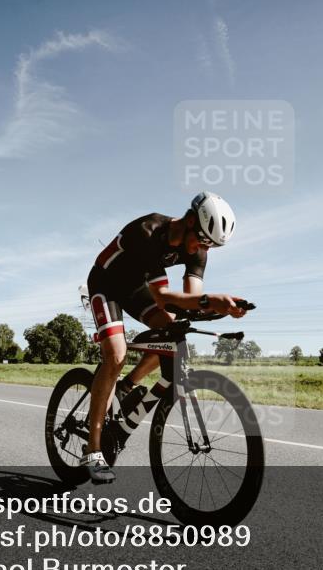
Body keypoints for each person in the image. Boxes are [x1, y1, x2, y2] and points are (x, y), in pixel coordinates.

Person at [81, 191, 247, 483]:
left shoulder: (198, 249)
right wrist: (210, 300)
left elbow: (190, 300)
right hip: (106, 284)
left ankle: (125, 387)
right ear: (190, 220)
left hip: (135, 288)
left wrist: (220, 307)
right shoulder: (149, 232)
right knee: (116, 355)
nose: (201, 248)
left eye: (209, 245)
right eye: (201, 239)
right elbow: (164, 296)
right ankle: (93, 450)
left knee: (174, 330)